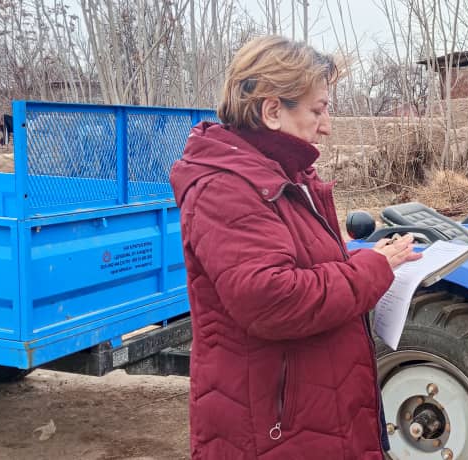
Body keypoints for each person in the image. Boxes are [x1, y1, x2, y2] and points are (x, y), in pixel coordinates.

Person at [170, 35, 420, 459]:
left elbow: (299, 265)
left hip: (311, 412)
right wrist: (371, 269)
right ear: (272, 111)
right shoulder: (225, 188)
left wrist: (363, 257)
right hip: (273, 429)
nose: (326, 125)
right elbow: (271, 298)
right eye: (317, 110)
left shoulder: (285, 175)